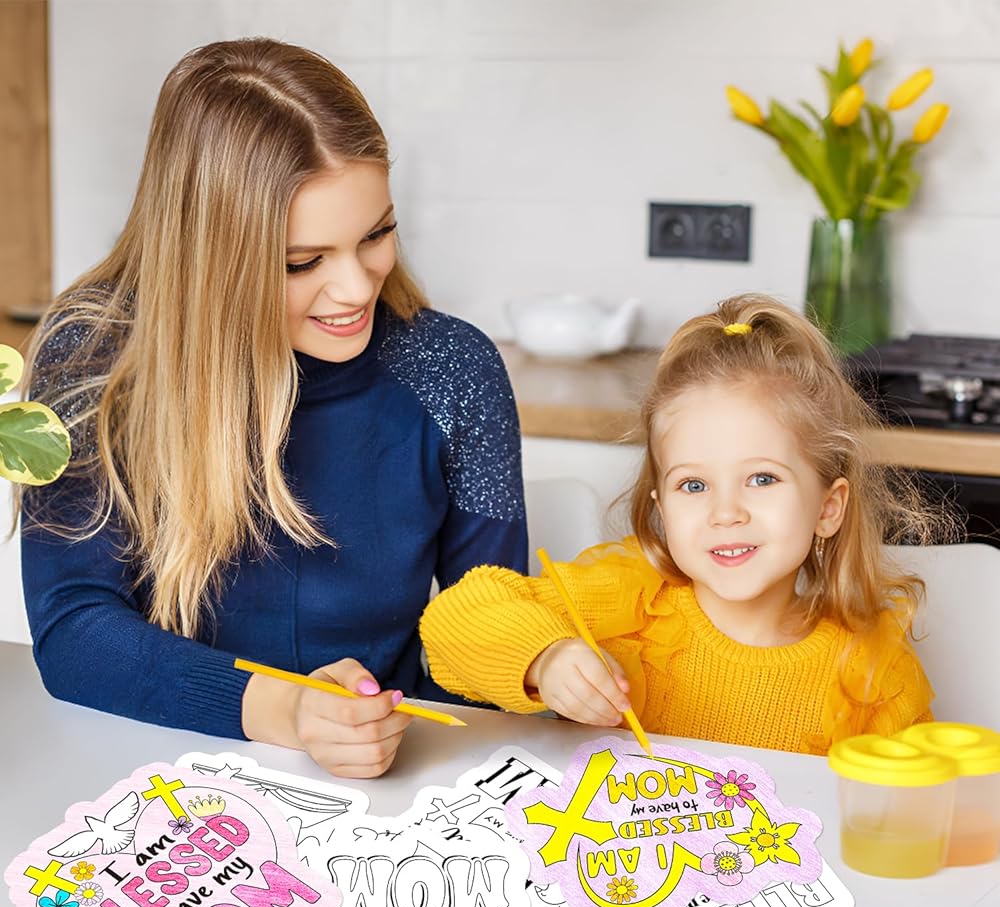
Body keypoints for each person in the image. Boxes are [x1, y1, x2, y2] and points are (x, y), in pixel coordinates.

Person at [18, 38, 527, 778]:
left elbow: (489, 622)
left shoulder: (455, 369)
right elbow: (75, 631)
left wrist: (525, 670)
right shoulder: (92, 358)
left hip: (389, 774)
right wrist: (288, 712)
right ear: (207, 257)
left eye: (377, 234)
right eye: (302, 262)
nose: (357, 288)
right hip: (157, 772)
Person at [421, 294, 954, 755]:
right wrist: (546, 658)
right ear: (662, 507)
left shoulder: (874, 671)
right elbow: (452, 620)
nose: (725, 512)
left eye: (762, 479)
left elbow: (916, 812)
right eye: (694, 486)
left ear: (827, 508)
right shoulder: (628, 600)